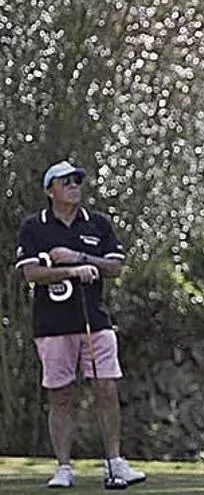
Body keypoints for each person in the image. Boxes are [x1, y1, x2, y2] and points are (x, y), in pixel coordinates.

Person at [14, 160, 147, 489]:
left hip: (95, 320)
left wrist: (80, 258)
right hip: (52, 324)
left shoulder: (97, 223)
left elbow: (115, 267)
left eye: (77, 180)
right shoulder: (34, 227)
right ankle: (63, 467)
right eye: (66, 181)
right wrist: (70, 272)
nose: (74, 185)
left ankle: (115, 462)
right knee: (60, 395)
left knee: (106, 388)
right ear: (50, 190)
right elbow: (31, 273)